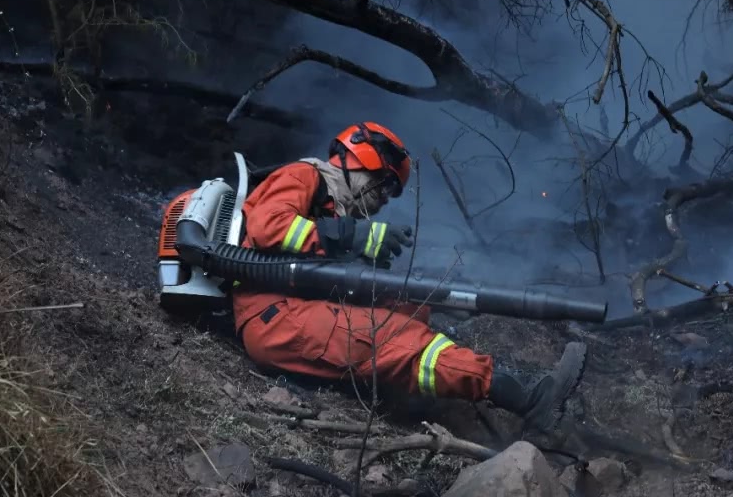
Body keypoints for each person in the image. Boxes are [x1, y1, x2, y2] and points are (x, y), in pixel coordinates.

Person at [231, 121, 588, 433]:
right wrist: (356, 237)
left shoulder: (328, 206)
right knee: (394, 337)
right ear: (360, 160)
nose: (382, 203)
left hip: (290, 305)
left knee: (403, 305)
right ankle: (521, 394)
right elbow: (267, 227)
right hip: (274, 315)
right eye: (383, 188)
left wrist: (439, 300)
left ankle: (413, 391)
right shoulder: (304, 175)